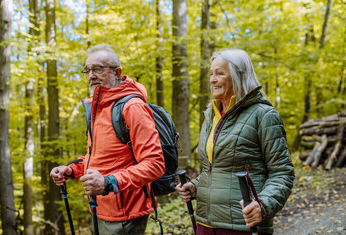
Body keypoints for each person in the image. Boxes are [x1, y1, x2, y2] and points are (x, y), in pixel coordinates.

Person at [175, 48, 294, 235]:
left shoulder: (263, 115)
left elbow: (282, 172)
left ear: (239, 76)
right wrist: (195, 187)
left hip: (243, 225)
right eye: (211, 74)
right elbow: (216, 169)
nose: (212, 80)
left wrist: (262, 205)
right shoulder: (211, 116)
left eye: (220, 73)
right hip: (205, 223)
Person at [50, 44, 165, 234]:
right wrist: (71, 170)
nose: (90, 75)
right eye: (87, 70)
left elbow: (155, 164)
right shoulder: (99, 109)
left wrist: (108, 182)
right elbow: (97, 156)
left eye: (97, 69)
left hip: (126, 213)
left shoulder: (132, 107)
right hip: (100, 208)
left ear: (117, 72)